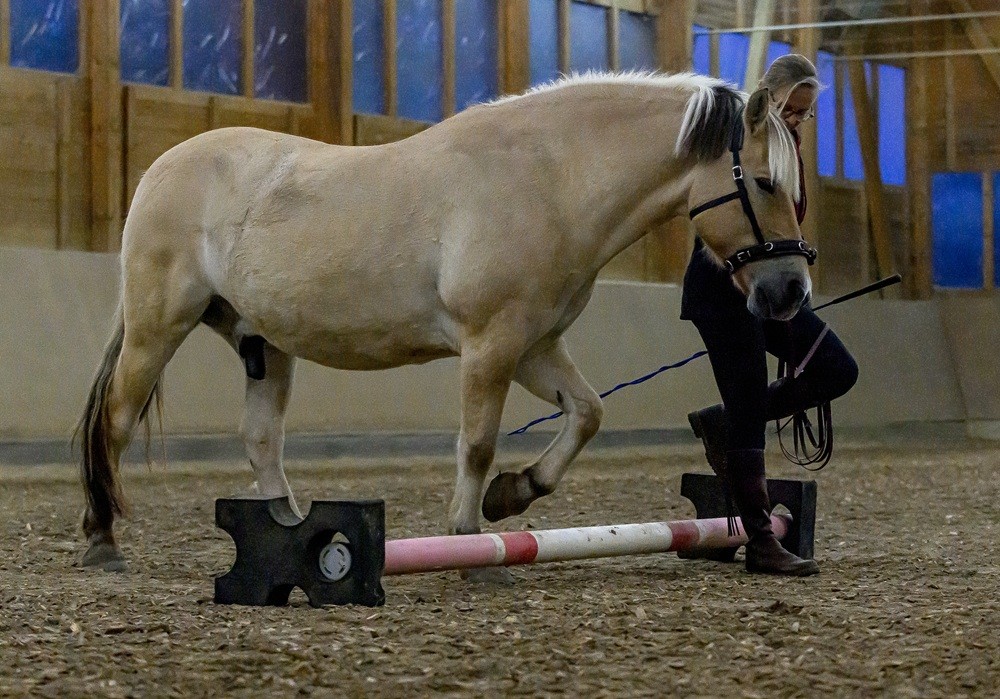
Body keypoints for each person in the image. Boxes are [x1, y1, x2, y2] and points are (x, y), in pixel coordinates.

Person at [680, 54, 858, 576]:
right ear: (768, 98)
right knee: (749, 398)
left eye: (805, 113)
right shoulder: (738, 140)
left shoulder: (787, 148)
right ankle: (760, 540)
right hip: (721, 285)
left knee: (836, 368)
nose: (798, 121)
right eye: (791, 110)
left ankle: (723, 420)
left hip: (768, 285)